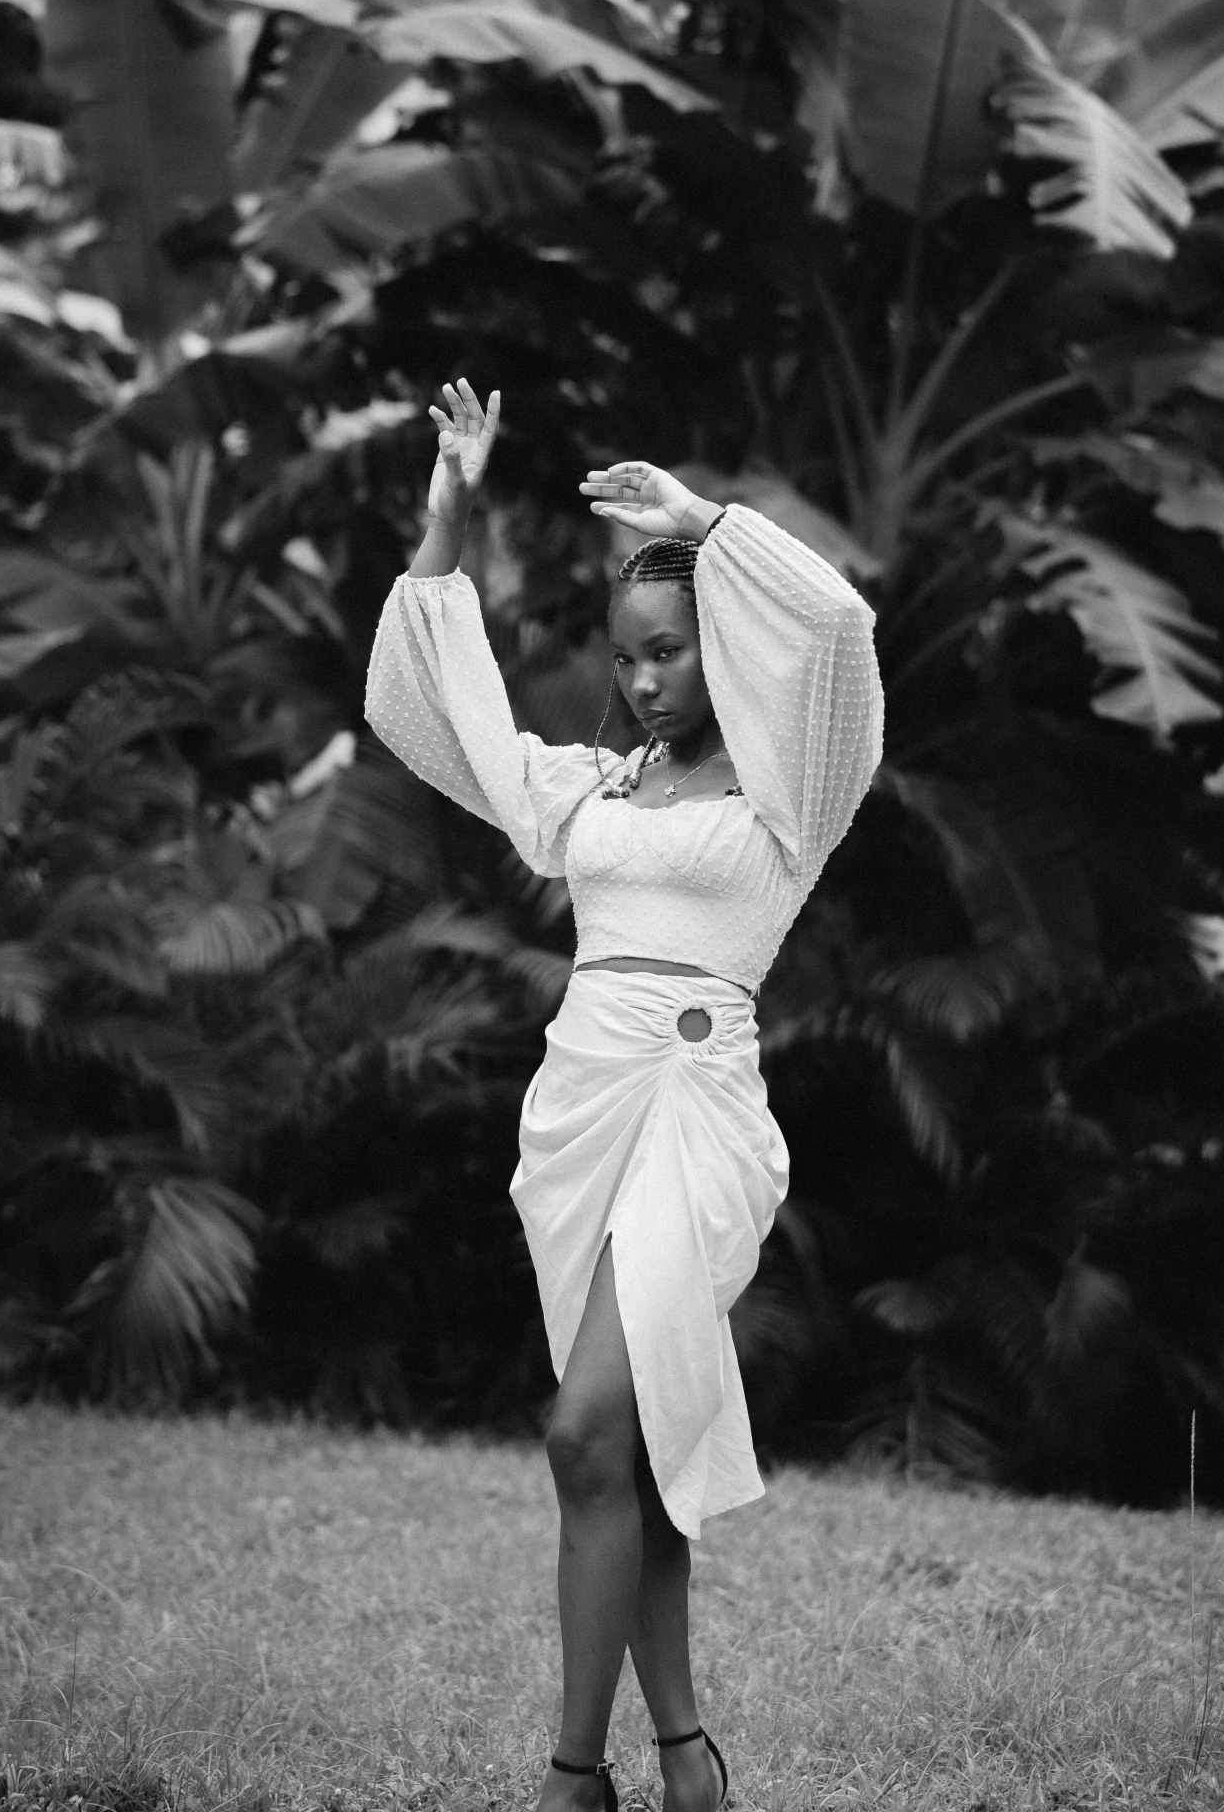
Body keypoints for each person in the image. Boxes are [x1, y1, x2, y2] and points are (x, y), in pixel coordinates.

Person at [364, 377, 883, 1812]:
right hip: (582, 1106)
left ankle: (566, 1778)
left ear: (722, 651)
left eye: (673, 651)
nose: (648, 678)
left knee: (587, 1428)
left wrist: (707, 527)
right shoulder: (593, 787)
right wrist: (447, 518)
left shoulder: (791, 795)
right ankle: (686, 1759)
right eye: (631, 657)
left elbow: (838, 632)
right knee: (629, 1445)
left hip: (697, 1106)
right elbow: (437, 712)